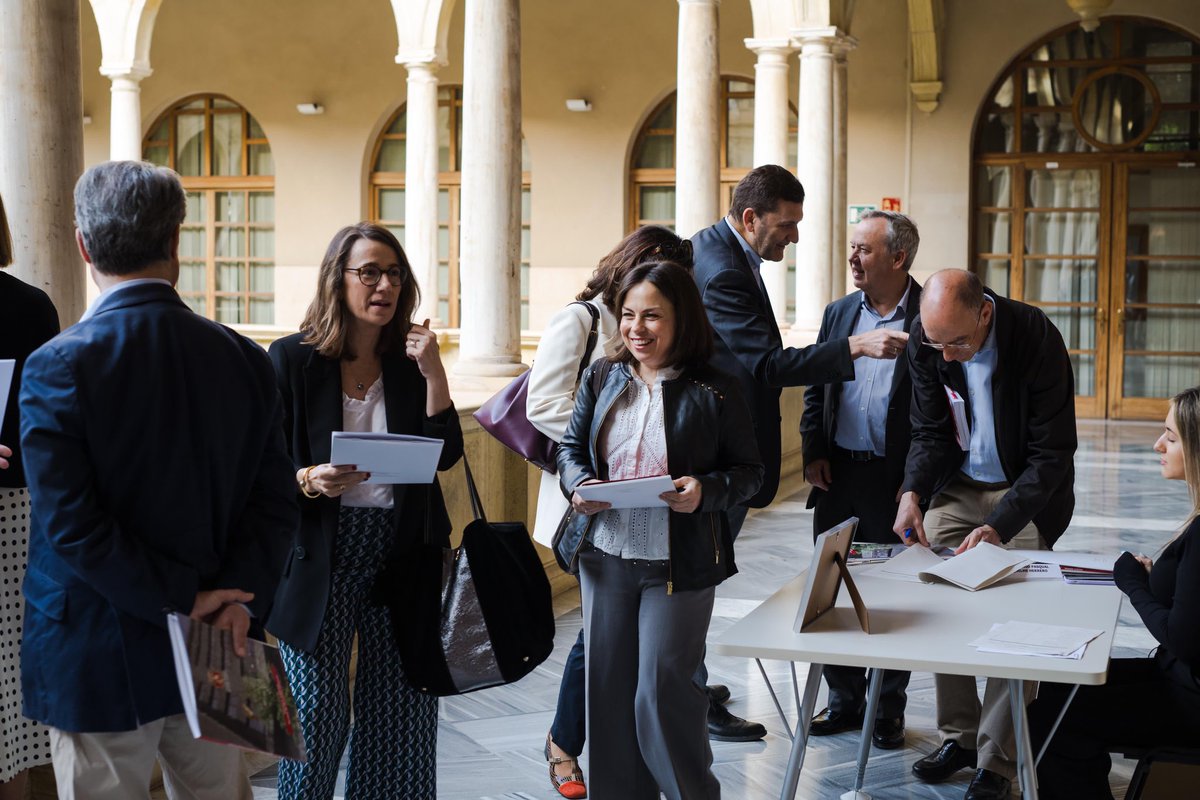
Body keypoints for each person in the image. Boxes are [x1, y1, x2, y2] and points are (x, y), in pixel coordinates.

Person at [18, 160, 298, 799]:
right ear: (177, 243)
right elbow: (277, 502)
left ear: (84, 246)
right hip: (227, 635)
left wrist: (181, 598)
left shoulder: (57, 365)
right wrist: (233, 599)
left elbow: (74, 527)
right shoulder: (245, 360)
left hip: (97, 642)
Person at [691, 163, 906, 740]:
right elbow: (766, 365)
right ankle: (687, 690)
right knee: (693, 580)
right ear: (750, 217)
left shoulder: (729, 255)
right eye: (786, 226)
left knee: (697, 579)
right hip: (712, 460)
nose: (794, 237)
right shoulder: (721, 270)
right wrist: (853, 348)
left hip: (879, 472)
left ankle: (688, 681)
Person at [265, 222, 463, 799]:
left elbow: (446, 456)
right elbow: (259, 466)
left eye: (394, 274)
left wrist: (435, 375)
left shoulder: (410, 361)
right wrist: (308, 477)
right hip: (319, 556)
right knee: (314, 717)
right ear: (338, 279)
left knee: (402, 717)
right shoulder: (291, 360)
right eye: (369, 273)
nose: (384, 286)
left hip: (402, 553)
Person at [555, 261, 763, 800]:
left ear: (682, 320)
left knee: (660, 693)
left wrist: (704, 491)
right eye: (628, 315)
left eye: (652, 316)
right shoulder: (604, 375)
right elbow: (571, 448)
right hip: (606, 556)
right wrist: (578, 485)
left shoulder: (717, 387)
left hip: (681, 561)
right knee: (608, 693)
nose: (637, 328)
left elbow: (750, 474)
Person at [893, 268, 1076, 800]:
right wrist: (911, 492)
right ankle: (961, 736)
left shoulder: (1034, 336)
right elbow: (928, 430)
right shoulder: (929, 339)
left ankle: (998, 760)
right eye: (935, 342)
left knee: (1017, 618)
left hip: (1024, 493)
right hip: (960, 484)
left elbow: (1052, 453)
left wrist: (1000, 526)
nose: (945, 355)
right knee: (933, 592)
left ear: (985, 313)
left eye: (958, 343)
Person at [526, 225, 692, 799]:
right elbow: (542, 404)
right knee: (597, 641)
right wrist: (613, 432)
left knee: (612, 643)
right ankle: (565, 743)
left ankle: (584, 744)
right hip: (590, 503)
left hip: (641, 502)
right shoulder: (581, 319)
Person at [1028, 386, 1200, 799]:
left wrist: (1133, 583)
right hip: (1177, 680)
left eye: (1171, 437)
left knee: (1053, 721)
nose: (1158, 444)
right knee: (1057, 688)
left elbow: (1181, 638)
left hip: (1188, 700)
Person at [799, 210, 922, 750]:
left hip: (896, 483)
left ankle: (886, 708)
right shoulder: (839, 313)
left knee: (894, 594)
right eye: (852, 247)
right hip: (838, 473)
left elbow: (938, 412)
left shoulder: (928, 316)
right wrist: (813, 450)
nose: (853, 257)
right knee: (832, 586)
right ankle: (844, 700)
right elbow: (813, 387)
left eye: (864, 250)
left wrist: (917, 482)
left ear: (898, 258)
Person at [0, 193, 58, 800]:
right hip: (18, 509)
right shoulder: (31, 304)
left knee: (6, 698)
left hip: (13, 513)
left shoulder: (27, 306)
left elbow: (42, 421)